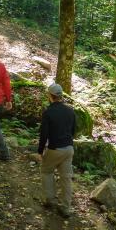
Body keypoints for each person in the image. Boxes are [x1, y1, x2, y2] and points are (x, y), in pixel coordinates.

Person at [35, 83, 76, 217]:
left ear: (50, 96)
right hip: (69, 148)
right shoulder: (70, 110)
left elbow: (44, 134)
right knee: (66, 178)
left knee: (46, 171)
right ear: (61, 96)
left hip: (55, 148)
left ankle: (49, 200)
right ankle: (65, 207)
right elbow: (73, 130)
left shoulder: (48, 112)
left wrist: (40, 151)